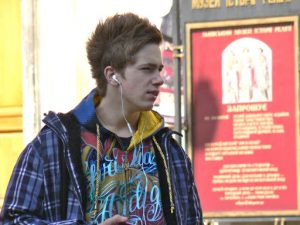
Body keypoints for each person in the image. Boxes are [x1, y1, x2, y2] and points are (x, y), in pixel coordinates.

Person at [0, 13, 203, 225]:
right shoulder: (53, 146)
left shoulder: (169, 150)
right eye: (147, 69)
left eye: (159, 69)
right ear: (112, 75)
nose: (160, 79)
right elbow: (12, 221)